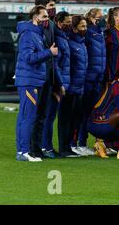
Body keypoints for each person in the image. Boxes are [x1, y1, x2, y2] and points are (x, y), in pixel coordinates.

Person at [15, 5, 58, 161]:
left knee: (25, 116)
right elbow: (29, 58)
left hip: (33, 80)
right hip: (29, 81)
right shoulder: (28, 35)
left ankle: (22, 151)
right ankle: (23, 152)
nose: (47, 20)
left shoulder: (37, 34)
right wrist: (49, 52)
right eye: (44, 17)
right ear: (35, 17)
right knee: (28, 117)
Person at [30, 0, 59, 158]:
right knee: (34, 114)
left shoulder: (51, 25)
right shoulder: (32, 29)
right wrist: (49, 52)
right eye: (50, 6)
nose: (53, 10)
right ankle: (29, 148)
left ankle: (38, 147)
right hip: (36, 76)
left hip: (48, 75)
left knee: (42, 114)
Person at [75, 8, 107, 156]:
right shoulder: (88, 32)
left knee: (93, 112)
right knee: (83, 112)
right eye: (100, 17)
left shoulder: (100, 33)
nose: (102, 19)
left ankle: (88, 142)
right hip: (88, 78)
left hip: (97, 78)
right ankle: (78, 143)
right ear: (92, 18)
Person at [42, 11, 71, 158]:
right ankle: (46, 147)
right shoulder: (58, 39)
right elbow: (56, 64)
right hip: (56, 84)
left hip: (61, 82)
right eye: (67, 22)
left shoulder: (63, 37)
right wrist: (59, 85)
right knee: (49, 116)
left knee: (51, 116)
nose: (69, 24)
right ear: (59, 23)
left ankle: (47, 147)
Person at [58, 16, 88, 158]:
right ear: (74, 29)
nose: (85, 29)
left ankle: (68, 146)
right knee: (65, 119)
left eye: (86, 26)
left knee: (75, 119)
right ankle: (63, 148)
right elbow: (65, 65)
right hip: (69, 88)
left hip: (79, 87)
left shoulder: (81, 44)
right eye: (82, 26)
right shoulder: (69, 43)